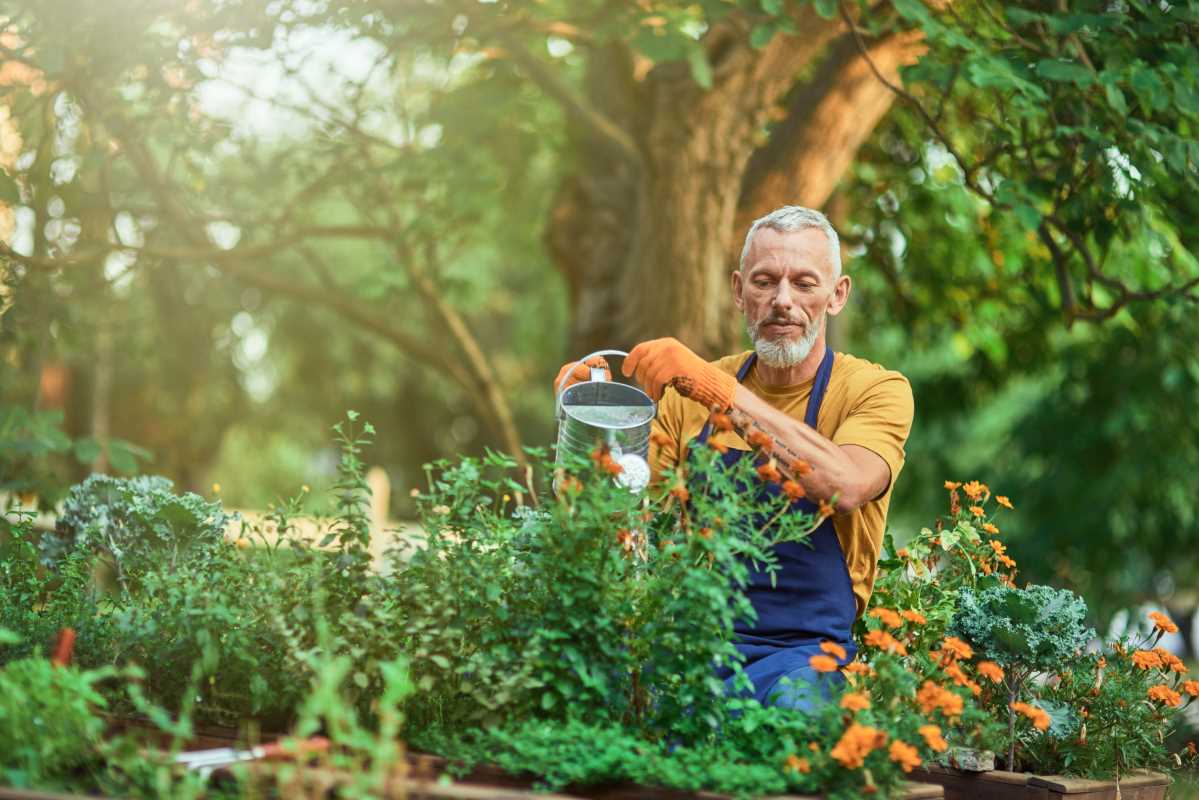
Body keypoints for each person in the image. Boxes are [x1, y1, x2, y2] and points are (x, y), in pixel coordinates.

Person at [554, 205, 914, 710]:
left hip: (806, 659)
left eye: (804, 283)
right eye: (764, 282)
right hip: (691, 648)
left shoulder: (874, 390)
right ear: (738, 291)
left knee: (795, 727)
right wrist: (595, 432)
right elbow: (622, 527)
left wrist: (714, 390)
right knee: (594, 702)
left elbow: (846, 483)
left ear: (838, 295)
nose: (782, 300)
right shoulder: (683, 397)